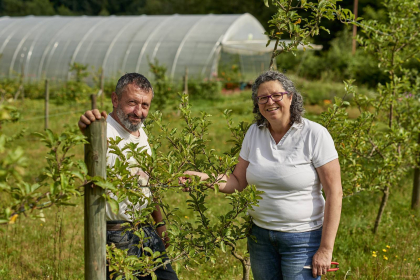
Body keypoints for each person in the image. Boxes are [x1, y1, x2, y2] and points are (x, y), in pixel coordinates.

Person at [181, 70, 342, 279]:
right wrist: (201, 178)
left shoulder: (314, 134)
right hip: (261, 237)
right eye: (263, 98)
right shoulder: (254, 133)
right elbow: (237, 182)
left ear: (290, 97)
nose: (270, 102)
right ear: (257, 103)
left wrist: (325, 249)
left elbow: (334, 192)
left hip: (302, 239)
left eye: (277, 95)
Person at [78, 73, 178, 280]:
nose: (138, 112)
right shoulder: (102, 131)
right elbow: (91, 144)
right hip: (117, 234)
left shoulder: (141, 132)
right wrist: (86, 126)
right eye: (132, 103)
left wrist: (160, 223)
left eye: (145, 105)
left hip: (145, 229)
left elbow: (148, 182)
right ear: (115, 99)